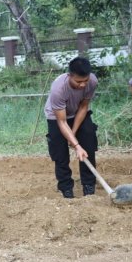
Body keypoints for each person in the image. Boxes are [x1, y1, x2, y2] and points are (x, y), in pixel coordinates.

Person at [44, 57, 99, 199]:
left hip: (77, 113)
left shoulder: (92, 81)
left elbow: (83, 106)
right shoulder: (58, 89)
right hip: (56, 117)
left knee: (88, 143)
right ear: (70, 76)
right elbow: (61, 122)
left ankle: (88, 186)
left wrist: (73, 134)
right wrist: (75, 144)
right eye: (78, 81)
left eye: (85, 81)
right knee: (60, 153)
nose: (82, 85)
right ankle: (66, 188)